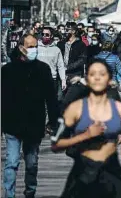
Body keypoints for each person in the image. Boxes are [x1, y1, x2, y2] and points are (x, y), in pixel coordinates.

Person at [51, 59, 121, 198]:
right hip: (83, 173)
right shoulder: (75, 109)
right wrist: (85, 135)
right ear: (87, 79)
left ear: (109, 79)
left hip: (112, 171)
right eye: (93, 74)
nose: (97, 77)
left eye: (102, 74)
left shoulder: (120, 109)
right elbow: (56, 144)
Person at [2, 34, 58, 198]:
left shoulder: (43, 69)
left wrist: (53, 121)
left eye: (35, 46)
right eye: (30, 46)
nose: (34, 50)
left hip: (34, 124)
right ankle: (9, 195)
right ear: (21, 48)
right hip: (12, 124)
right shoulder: (7, 70)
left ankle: (30, 192)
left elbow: (51, 97)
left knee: (32, 163)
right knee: (12, 162)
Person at [37, 27, 67, 112]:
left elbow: (60, 66)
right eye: (43, 34)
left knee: (50, 102)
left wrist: (63, 80)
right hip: (38, 79)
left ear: (51, 36)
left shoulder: (56, 50)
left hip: (52, 80)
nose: (44, 36)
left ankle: (48, 123)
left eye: (47, 35)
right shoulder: (36, 48)